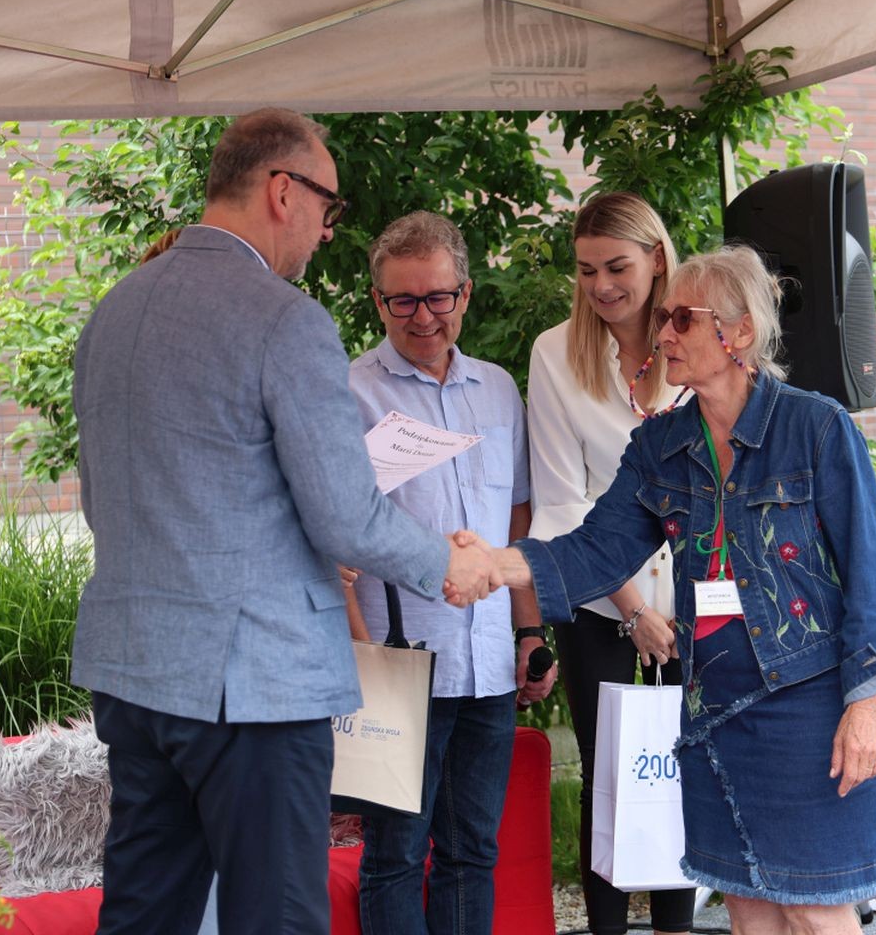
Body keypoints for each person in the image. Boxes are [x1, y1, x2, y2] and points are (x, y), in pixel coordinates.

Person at [71, 108, 497, 935]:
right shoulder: (285, 319)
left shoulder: (112, 310)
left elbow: (102, 502)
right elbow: (346, 516)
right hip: (253, 686)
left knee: (145, 916)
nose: (327, 231)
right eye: (327, 207)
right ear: (281, 190)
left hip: (134, 673)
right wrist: (449, 563)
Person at [486, 246, 876, 935]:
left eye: (681, 318)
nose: (662, 333)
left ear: (740, 332)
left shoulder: (815, 427)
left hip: (809, 709)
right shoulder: (660, 445)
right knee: (747, 910)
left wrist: (866, 709)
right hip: (712, 710)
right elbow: (599, 550)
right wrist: (499, 566)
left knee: (814, 911)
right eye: (664, 317)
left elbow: (873, 580)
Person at [345, 212, 557, 935]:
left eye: (438, 297)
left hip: (488, 662)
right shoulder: (350, 394)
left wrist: (529, 633)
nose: (423, 316)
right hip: (399, 665)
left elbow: (518, 520)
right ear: (378, 301)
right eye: (403, 300)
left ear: (465, 294)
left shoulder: (497, 389)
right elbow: (337, 536)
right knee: (395, 857)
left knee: (473, 853)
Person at [526, 191, 696, 935]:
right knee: (609, 773)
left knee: (684, 765)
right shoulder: (555, 353)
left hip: (696, 595)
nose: (601, 286)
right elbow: (562, 501)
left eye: (617, 267)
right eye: (587, 269)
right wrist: (636, 612)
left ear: (656, 259)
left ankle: (677, 927)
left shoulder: (699, 338)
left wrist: (674, 610)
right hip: (602, 600)